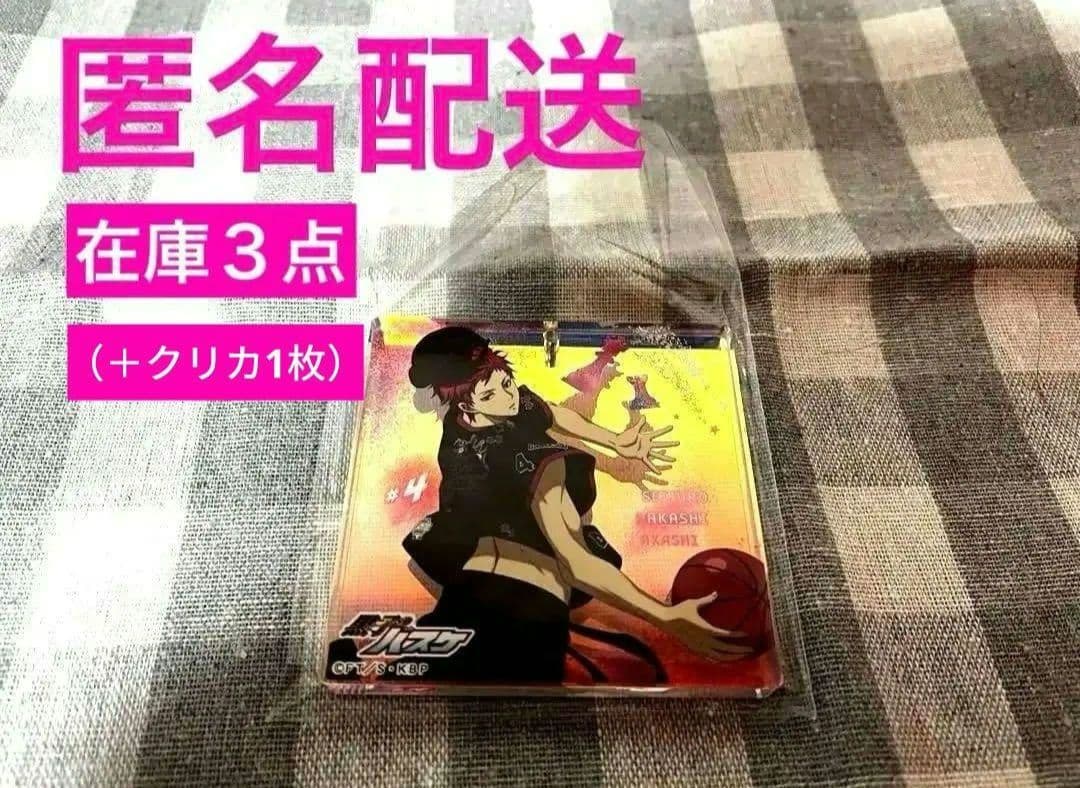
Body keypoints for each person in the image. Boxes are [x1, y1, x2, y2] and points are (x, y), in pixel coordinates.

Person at [399, 325, 749, 683]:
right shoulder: (539, 463)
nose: (509, 398)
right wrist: (665, 616)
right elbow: (578, 563)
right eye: (491, 395)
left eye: (507, 383)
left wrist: (615, 441)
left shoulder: (461, 425)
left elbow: (550, 413)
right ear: (467, 406)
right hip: (523, 609)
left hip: (470, 593)